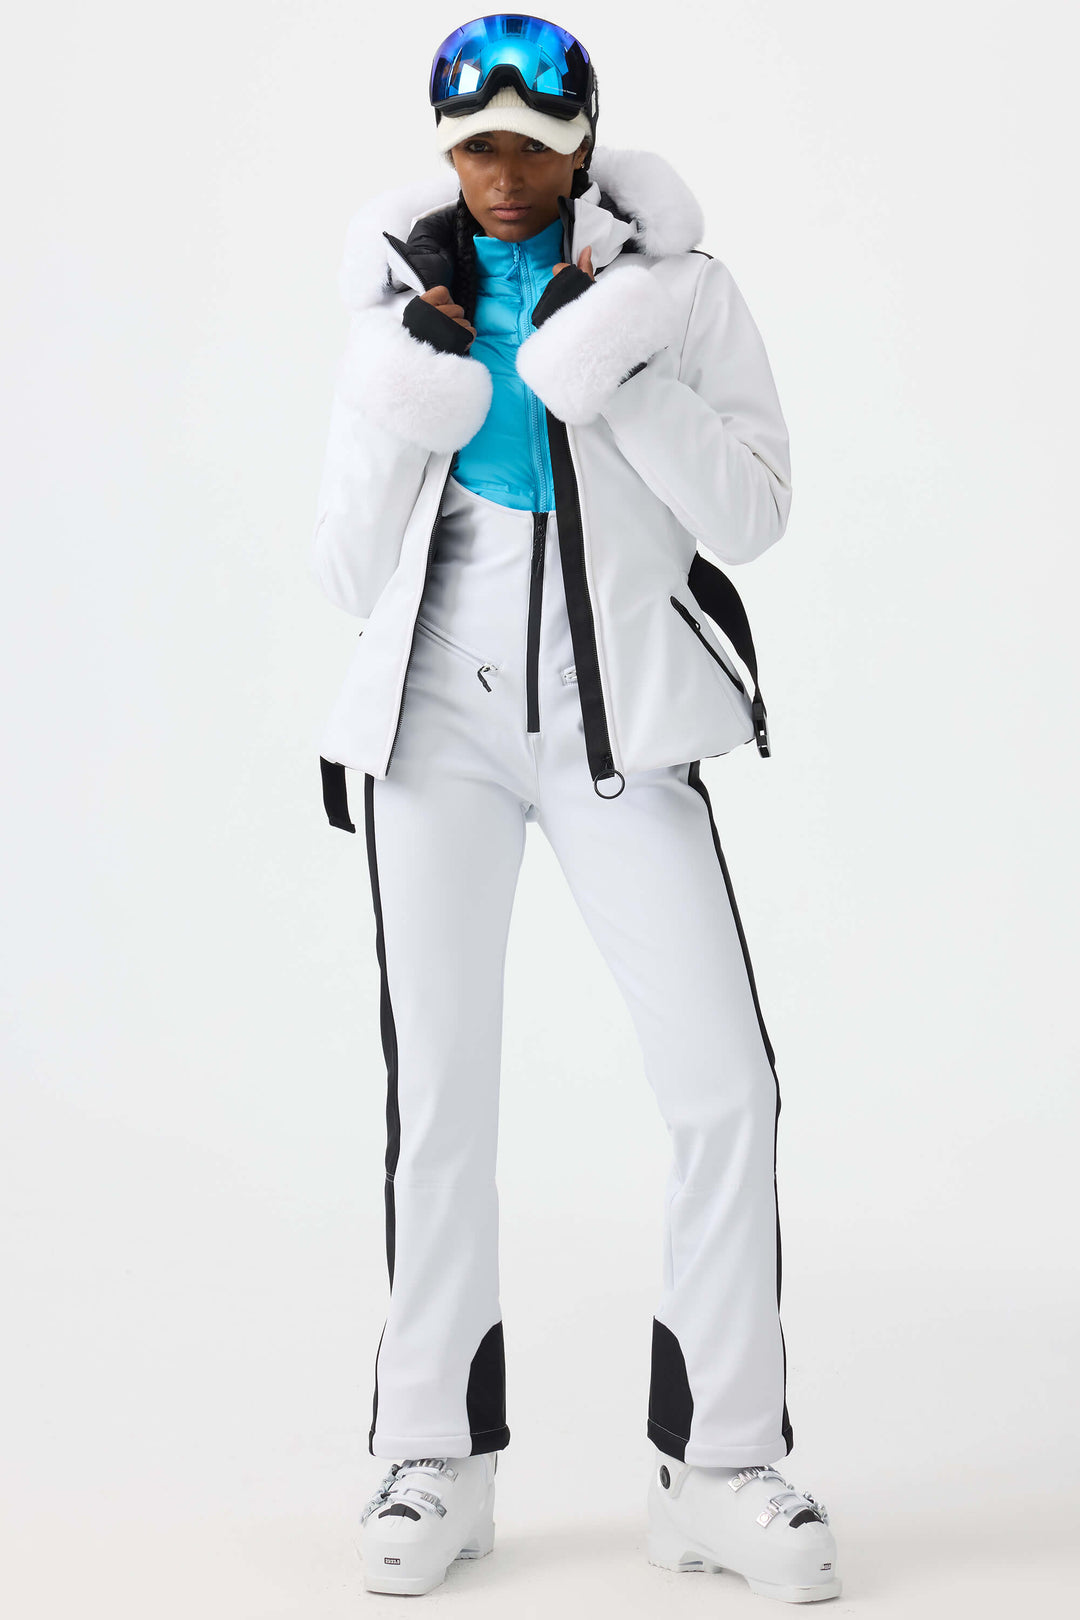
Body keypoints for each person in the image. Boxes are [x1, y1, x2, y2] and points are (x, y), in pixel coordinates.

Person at [309, 12, 841, 1604]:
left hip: (621, 734)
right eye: (477, 145)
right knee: (440, 1100)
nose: (505, 172)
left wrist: (607, 375)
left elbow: (756, 511)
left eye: (535, 144)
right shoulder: (399, 301)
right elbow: (344, 568)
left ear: (584, 141)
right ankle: (436, 1460)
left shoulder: (678, 293)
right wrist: (403, 390)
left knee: (725, 1089)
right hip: (435, 730)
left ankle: (720, 1468)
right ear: (446, 150)